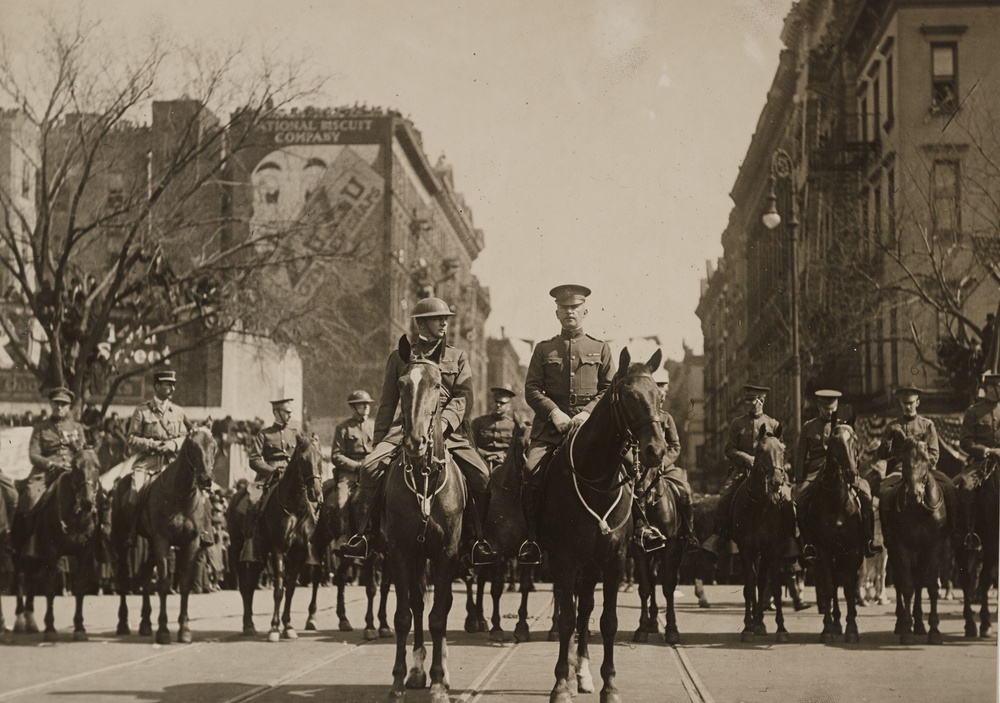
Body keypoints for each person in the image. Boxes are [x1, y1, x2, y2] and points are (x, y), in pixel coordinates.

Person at [339, 297, 497, 566]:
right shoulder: (401, 356)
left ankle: (475, 541)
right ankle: (367, 536)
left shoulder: (458, 356)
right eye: (438, 318)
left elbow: (463, 398)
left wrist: (445, 423)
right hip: (406, 428)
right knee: (368, 469)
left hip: (451, 432)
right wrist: (379, 444)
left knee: (482, 475)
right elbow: (387, 405)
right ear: (422, 323)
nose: (445, 322)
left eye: (446, 317)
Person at [519, 284, 615, 565]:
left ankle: (637, 531)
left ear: (585, 311)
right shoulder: (544, 349)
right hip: (551, 430)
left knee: (626, 467)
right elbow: (532, 389)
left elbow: (609, 389)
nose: (569, 311)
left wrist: (586, 413)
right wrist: (555, 413)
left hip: (592, 431)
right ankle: (533, 539)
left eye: (575, 307)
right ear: (557, 312)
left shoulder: (601, 348)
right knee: (530, 471)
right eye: (564, 308)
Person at [127, 370, 211, 546]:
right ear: (157, 386)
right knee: (136, 491)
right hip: (148, 461)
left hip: (173, 462)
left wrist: (172, 445)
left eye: (173, 385)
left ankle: (204, 531)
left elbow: (186, 436)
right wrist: (152, 444)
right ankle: (131, 530)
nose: (172, 388)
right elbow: (132, 439)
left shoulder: (178, 412)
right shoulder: (141, 411)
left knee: (200, 491)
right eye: (168, 384)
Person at [795, 389, 881, 559]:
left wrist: (855, 471)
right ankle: (808, 544)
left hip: (844, 470)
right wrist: (799, 480)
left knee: (865, 494)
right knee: (799, 499)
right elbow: (800, 457)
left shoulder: (845, 428)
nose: (829, 412)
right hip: (815, 471)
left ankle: (868, 541)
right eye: (825, 408)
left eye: (832, 408)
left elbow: (853, 452)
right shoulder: (809, 427)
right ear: (819, 407)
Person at [701, 384, 783, 557]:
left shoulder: (773, 424)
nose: (747, 404)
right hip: (742, 472)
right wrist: (747, 458)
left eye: (751, 401)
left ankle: (790, 540)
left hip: (768, 474)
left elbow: (780, 449)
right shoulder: (737, 424)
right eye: (746, 401)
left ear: (761, 401)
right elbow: (729, 449)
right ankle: (719, 536)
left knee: (788, 499)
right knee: (725, 496)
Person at [17, 387, 87, 558]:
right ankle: (27, 541)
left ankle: (98, 543)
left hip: (72, 472)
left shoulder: (77, 427)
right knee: (30, 498)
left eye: (63, 404)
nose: (59, 407)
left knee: (95, 498)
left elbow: (83, 453)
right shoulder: (41, 428)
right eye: (56, 403)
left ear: (69, 406)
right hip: (46, 473)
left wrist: (74, 446)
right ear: (50, 404)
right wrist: (50, 464)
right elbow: (33, 454)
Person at [877, 386, 957, 536]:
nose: (908, 406)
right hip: (899, 470)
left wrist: (922, 469)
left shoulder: (927, 425)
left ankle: (953, 532)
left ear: (918, 403)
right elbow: (882, 455)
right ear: (900, 404)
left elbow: (934, 453)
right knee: (885, 493)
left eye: (911, 403)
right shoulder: (892, 426)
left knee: (950, 488)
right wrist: (888, 437)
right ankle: (887, 534)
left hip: (924, 470)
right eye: (905, 403)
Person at [241, 398, 300, 562]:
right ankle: (250, 542)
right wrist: (272, 470)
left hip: (291, 475)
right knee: (253, 502)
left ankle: (309, 543)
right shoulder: (264, 434)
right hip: (269, 477)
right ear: (276, 413)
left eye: (290, 412)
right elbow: (254, 459)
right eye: (286, 412)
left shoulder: (295, 434)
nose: (289, 416)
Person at [648, 368, 700, 552]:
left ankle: (688, 533)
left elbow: (675, 447)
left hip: (664, 467)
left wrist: (663, 463)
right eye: (659, 391)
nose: (662, 396)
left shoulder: (666, 418)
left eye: (664, 393)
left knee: (685, 490)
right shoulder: (639, 417)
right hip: (642, 468)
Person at [956, 372, 1000, 551]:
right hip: (980, 464)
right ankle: (970, 532)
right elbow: (965, 442)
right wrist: (987, 451)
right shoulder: (973, 411)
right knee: (966, 487)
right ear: (989, 388)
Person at [471, 383, 519, 470]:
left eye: (502, 403)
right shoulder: (478, 422)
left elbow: (516, 448)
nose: (498, 405)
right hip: (481, 461)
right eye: (496, 401)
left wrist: (502, 455)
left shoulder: (513, 426)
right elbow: (471, 444)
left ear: (509, 406)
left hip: (505, 463)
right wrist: (486, 454)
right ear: (491, 402)